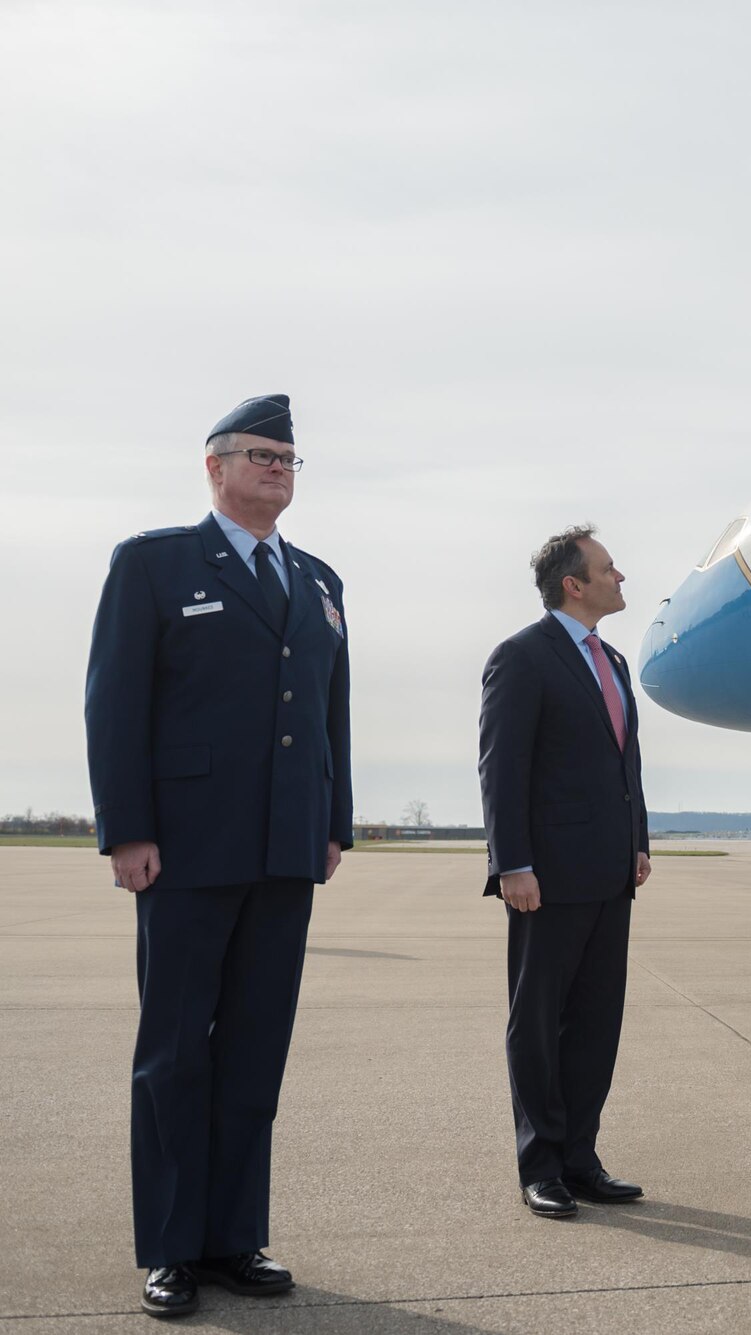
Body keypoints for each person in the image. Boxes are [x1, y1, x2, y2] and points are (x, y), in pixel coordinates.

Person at [84, 394, 352, 1318]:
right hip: (185, 851)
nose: (278, 468)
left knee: (253, 1051)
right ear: (216, 466)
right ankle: (168, 1245)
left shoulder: (319, 580)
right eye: (261, 454)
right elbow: (114, 705)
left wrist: (334, 821)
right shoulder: (154, 564)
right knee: (173, 1052)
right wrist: (127, 828)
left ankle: (235, 1237)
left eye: (288, 458)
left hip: (285, 851)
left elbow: (329, 715)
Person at [478, 526, 651, 1219]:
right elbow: (502, 767)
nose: (621, 577)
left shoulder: (611, 659)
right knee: (538, 1020)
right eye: (609, 569)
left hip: (611, 873)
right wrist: (511, 862)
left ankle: (581, 1155)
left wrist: (637, 841)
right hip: (545, 877)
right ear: (573, 584)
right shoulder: (522, 657)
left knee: (595, 1022)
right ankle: (540, 1161)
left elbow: (624, 765)